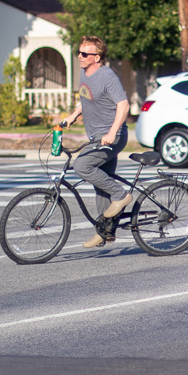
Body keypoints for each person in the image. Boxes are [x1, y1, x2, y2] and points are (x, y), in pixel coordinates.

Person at [63, 36, 132, 248]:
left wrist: (112, 132)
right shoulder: (85, 73)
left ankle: (122, 195)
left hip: (112, 137)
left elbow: (124, 105)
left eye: (85, 54)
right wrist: (73, 115)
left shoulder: (107, 75)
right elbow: (86, 98)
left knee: (82, 165)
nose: (80, 57)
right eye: (79, 52)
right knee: (102, 185)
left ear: (97, 57)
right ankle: (105, 232)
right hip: (97, 137)